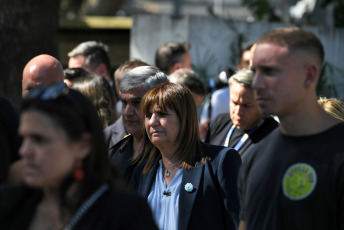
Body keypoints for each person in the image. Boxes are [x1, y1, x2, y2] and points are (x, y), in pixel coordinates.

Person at [0, 83, 158, 230]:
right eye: (23, 139)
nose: (24, 151)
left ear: (83, 146)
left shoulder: (126, 215)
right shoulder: (10, 206)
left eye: (39, 140)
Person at [238, 27, 344, 230]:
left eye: (269, 71)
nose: (257, 83)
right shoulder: (256, 155)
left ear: (309, 75)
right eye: (254, 72)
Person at [132, 82, 241, 230]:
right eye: (148, 115)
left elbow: (236, 223)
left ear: (184, 118)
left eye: (162, 114)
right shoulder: (142, 171)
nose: (152, 122)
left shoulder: (219, 161)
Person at [107, 66, 169, 181]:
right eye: (124, 103)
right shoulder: (114, 151)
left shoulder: (172, 156)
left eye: (136, 103)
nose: (127, 112)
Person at [206, 68, 278, 160]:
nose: (238, 111)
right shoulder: (220, 123)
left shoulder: (273, 135)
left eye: (246, 105)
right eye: (234, 103)